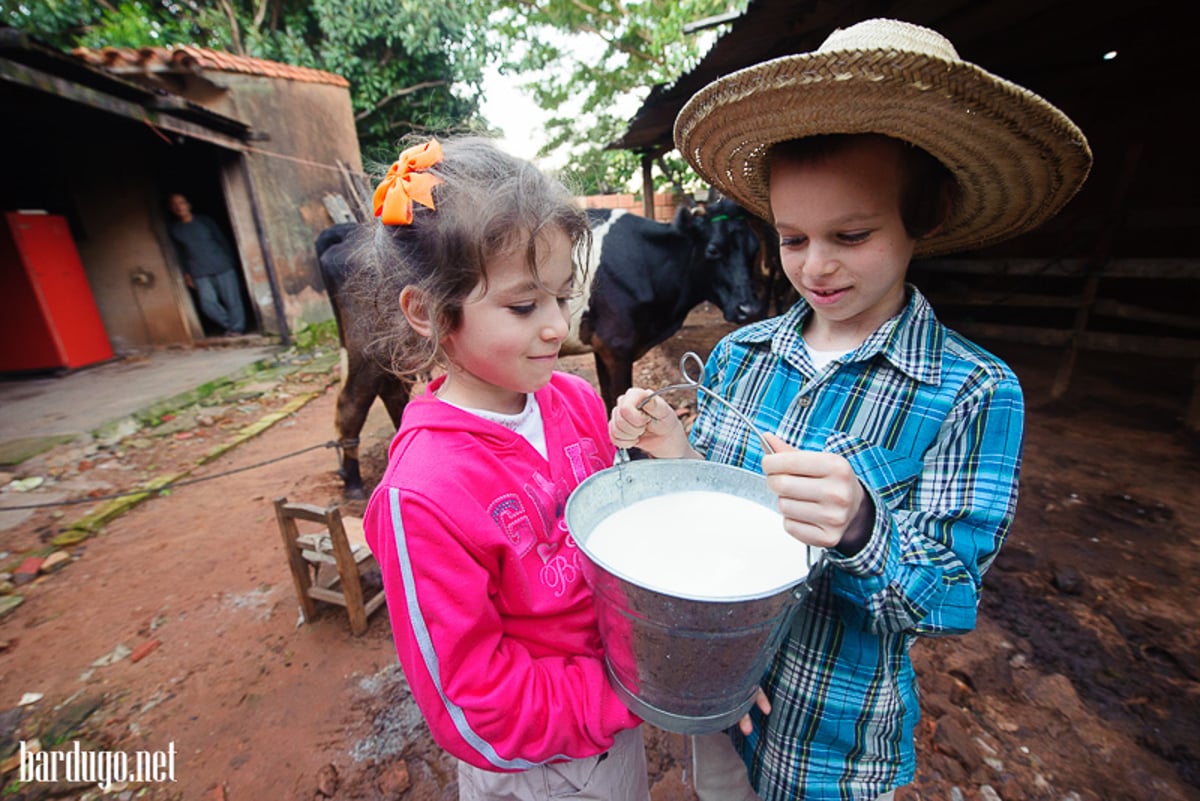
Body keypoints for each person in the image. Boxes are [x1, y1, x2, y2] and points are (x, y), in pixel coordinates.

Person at [610, 18, 1092, 801]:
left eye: (852, 233)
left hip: (828, 738)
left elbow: (949, 597)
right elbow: (717, 512)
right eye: (792, 238)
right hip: (722, 694)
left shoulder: (971, 391)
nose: (816, 265)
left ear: (924, 216)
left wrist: (864, 526)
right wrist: (671, 453)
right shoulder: (743, 353)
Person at [360, 137, 650, 801]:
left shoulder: (574, 399)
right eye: (525, 306)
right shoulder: (423, 496)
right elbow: (472, 701)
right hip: (537, 769)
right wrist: (627, 693)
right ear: (429, 313)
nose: (557, 326)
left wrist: (651, 456)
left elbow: (613, 540)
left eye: (561, 296)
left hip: (616, 723)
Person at [166, 193, 246, 337]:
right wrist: (186, 273)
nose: (179, 207)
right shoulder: (175, 229)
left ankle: (237, 328)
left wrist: (232, 262)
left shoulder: (205, 221)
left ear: (188, 205)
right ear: (171, 209)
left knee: (232, 299)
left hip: (222, 265)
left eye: (181, 202)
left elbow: (222, 241)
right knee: (207, 305)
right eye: (174, 204)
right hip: (199, 271)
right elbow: (180, 254)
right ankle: (231, 325)